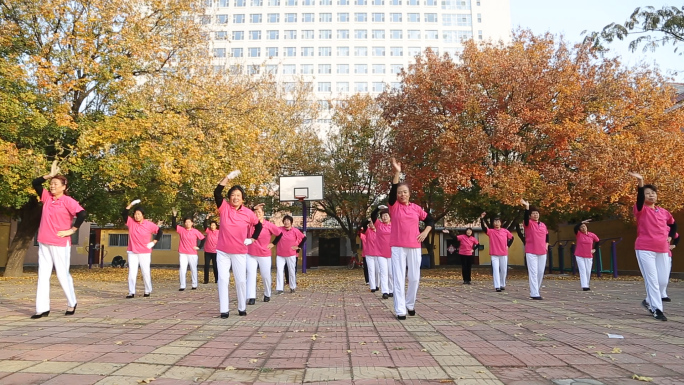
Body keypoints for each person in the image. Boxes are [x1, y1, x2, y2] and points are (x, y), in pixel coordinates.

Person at [31, 161, 87, 319]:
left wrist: (72, 230)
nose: (52, 186)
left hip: (60, 243)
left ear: (64, 187)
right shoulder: (47, 197)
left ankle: (71, 302)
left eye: (55, 183)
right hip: (44, 241)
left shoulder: (68, 201)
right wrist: (49, 175)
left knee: (62, 274)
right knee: (43, 275)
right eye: (51, 183)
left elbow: (82, 214)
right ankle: (42, 309)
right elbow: (35, 182)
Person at [388, 158, 434, 320]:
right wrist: (398, 172)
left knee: (414, 277)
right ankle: (400, 309)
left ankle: (410, 303)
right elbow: (393, 189)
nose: (402, 194)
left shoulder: (416, 208)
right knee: (399, 278)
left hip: (414, 246)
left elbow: (430, 220)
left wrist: (425, 232)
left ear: (409, 194)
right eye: (400, 192)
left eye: (405, 192)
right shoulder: (393, 207)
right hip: (398, 247)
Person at [214, 170, 262, 318]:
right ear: (229, 198)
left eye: (238, 196)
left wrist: (252, 238)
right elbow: (216, 192)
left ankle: (242, 307)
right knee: (222, 279)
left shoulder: (248, 213)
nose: (235, 197)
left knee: (241, 280)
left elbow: (259, 226)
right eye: (233, 195)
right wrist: (227, 177)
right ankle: (224, 310)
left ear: (242, 199)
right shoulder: (224, 207)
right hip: (222, 251)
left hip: (240, 252)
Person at [629, 172, 676, 321]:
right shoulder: (641, 210)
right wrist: (641, 182)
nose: (651, 195)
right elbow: (640, 198)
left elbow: (673, 224)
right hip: (645, 249)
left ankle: (648, 301)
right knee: (652, 281)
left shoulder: (663, 212)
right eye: (647, 193)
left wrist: (670, 237)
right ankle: (656, 309)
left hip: (663, 249)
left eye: (653, 193)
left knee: (663, 281)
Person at [123, 200, 163, 298]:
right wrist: (132, 204)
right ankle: (131, 292)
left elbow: (160, 232)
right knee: (132, 273)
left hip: (145, 252)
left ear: (143, 215)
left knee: (145, 271)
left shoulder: (149, 224)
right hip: (132, 251)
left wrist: (154, 242)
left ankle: (147, 290)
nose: (137, 216)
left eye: (139, 214)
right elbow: (124, 213)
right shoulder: (131, 222)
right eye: (135, 214)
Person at [246, 204, 281, 304]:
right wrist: (253, 208)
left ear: (263, 213)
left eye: (259, 212)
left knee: (265, 275)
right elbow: (245, 214)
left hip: (264, 254)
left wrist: (273, 243)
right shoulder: (250, 224)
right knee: (251, 274)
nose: (257, 214)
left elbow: (279, 234)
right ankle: (251, 296)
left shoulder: (268, 225)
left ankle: (267, 293)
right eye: (255, 212)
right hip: (250, 253)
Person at [521, 199, 549, 300]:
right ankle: (534, 293)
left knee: (541, 272)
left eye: (537, 213)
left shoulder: (543, 225)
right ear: (530, 215)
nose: (535, 215)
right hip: (531, 251)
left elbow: (547, 235)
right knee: (533, 272)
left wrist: (546, 244)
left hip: (542, 251)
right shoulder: (528, 223)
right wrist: (527, 207)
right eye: (533, 213)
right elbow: (525, 218)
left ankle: (536, 289)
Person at [171, 209, 206, 291]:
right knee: (182, 269)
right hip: (183, 253)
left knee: (193, 269)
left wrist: (199, 247)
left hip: (192, 253)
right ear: (184, 223)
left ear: (192, 223)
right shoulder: (181, 230)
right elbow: (173, 225)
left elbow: (203, 238)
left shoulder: (195, 231)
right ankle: (182, 285)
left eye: (189, 222)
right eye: (186, 222)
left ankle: (194, 284)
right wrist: (174, 216)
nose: (187, 223)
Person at [479, 212, 514, 292]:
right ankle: (497, 286)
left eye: (498, 222)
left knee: (504, 269)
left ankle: (502, 284)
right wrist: (481, 219)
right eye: (495, 222)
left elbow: (512, 238)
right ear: (493, 223)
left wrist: (508, 245)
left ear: (501, 223)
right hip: (494, 253)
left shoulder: (505, 231)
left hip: (503, 253)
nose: (496, 223)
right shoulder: (491, 231)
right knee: (495, 269)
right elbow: (484, 228)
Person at [273, 215, 306, 294]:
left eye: (288, 220)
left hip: (291, 254)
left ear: (291, 222)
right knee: (280, 271)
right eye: (285, 220)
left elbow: (304, 238)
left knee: (291, 271)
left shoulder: (295, 231)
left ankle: (292, 287)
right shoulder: (279, 229)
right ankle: (280, 289)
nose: (286, 222)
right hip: (280, 254)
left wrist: (298, 247)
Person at [371, 205, 393, 299]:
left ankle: (392, 290)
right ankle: (385, 291)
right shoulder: (379, 225)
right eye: (383, 216)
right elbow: (373, 216)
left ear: (390, 217)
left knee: (391, 273)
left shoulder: (394, 225)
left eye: (386, 215)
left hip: (392, 253)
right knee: (383, 272)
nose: (384, 217)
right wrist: (377, 208)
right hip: (380, 253)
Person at [573, 219, 599, 291]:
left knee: (588, 270)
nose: (583, 228)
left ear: (587, 227)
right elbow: (575, 228)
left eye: (584, 226)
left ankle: (587, 283)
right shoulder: (579, 234)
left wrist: (595, 249)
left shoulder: (592, 235)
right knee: (583, 270)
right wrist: (581, 222)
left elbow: (597, 241)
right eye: (581, 227)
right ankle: (584, 286)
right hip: (579, 255)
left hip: (588, 255)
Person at [662, 233, 679, 302]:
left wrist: (674, 245)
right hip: (654, 254)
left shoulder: (667, 229)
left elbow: (677, 237)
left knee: (665, 275)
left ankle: (663, 294)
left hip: (666, 254)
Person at [203, 214, 219, 284]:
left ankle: (217, 279)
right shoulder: (208, 231)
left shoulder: (219, 232)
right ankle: (206, 280)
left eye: (213, 225)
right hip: (207, 251)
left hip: (215, 252)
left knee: (215, 266)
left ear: (216, 226)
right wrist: (207, 217)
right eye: (211, 225)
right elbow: (204, 225)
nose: (212, 226)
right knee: (206, 266)